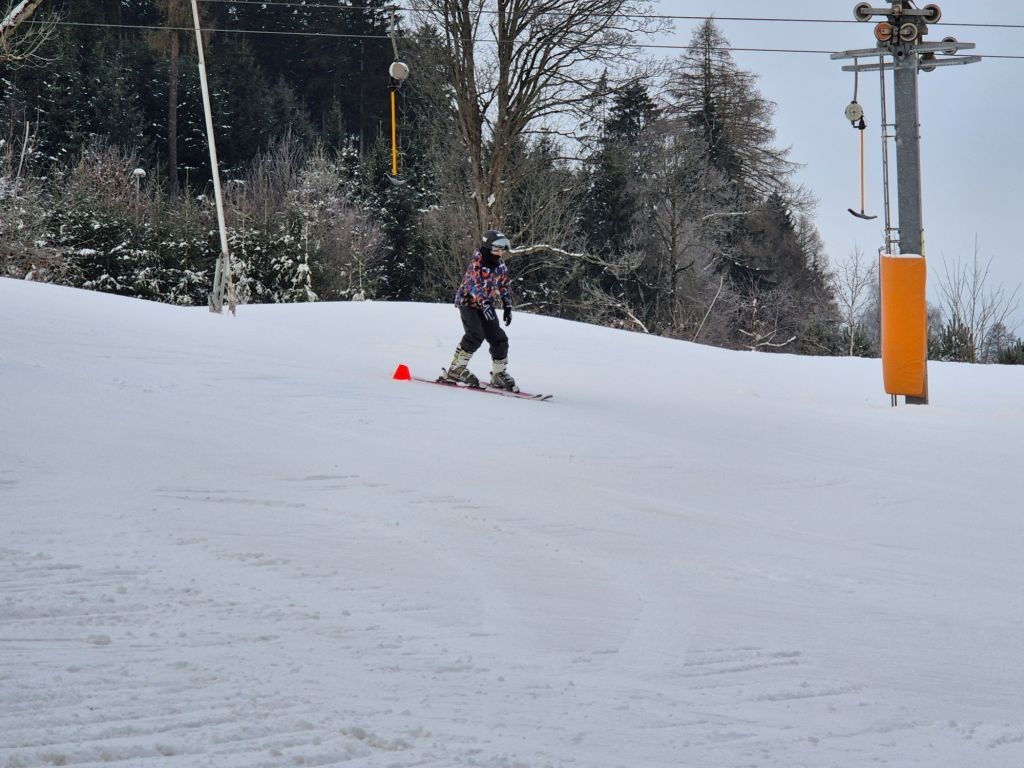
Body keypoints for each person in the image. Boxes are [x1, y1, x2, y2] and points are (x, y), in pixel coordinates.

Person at [443, 229, 517, 391]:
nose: (500, 253)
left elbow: (503, 285)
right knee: (475, 334)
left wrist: (507, 304)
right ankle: (456, 370)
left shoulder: (500, 265)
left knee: (498, 337)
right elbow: (473, 285)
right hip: (468, 302)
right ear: (487, 247)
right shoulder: (477, 263)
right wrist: (483, 303)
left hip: (486, 304)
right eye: (497, 249)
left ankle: (498, 374)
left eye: (503, 249)